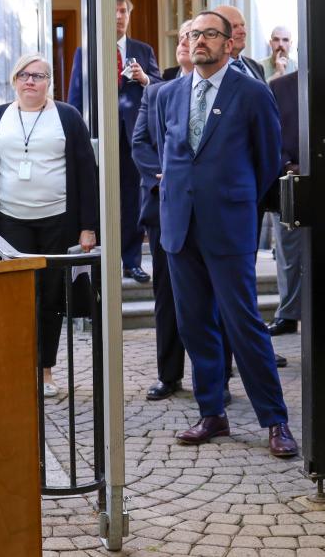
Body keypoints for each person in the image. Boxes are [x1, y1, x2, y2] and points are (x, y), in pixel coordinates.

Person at [151, 9, 297, 457]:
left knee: (243, 323)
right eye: (193, 34)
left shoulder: (251, 92)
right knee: (195, 324)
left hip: (229, 226)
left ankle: (275, 419)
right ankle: (212, 412)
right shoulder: (167, 95)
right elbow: (168, 153)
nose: (199, 41)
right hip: (180, 227)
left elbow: (268, 159)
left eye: (209, 34)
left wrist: (237, 202)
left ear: (229, 43)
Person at [0, 54, 99, 398]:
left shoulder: (68, 117)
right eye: (24, 75)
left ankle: (44, 371)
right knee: (17, 296)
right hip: (11, 222)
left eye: (39, 76)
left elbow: (87, 175)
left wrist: (88, 226)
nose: (31, 81)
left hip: (58, 221)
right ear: (15, 80)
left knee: (49, 298)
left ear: (49, 83)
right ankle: (16, 366)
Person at [65, 0, 161, 283]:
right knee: (98, 198)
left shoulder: (143, 50)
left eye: (123, 12)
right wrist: (75, 136)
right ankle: (102, 260)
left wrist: (144, 79)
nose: (119, 17)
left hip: (134, 136)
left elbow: (160, 89)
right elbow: (75, 97)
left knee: (132, 199)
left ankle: (132, 262)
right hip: (98, 137)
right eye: (113, 11)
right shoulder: (87, 51)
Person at [132, 20, 192, 400]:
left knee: (210, 299)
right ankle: (168, 374)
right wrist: (164, 176)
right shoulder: (156, 93)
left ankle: (214, 378)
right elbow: (138, 143)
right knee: (167, 295)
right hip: (162, 206)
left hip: (206, 210)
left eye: (195, 35)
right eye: (182, 35)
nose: (186, 42)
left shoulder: (226, 92)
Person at [265, 65, 305, 336]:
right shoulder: (279, 86)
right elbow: (269, 134)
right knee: (289, 253)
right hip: (289, 179)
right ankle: (288, 314)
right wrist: (287, 165)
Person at [212, 5, 266, 81]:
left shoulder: (256, 66)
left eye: (243, 25)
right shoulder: (209, 70)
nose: (242, 32)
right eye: (234, 26)